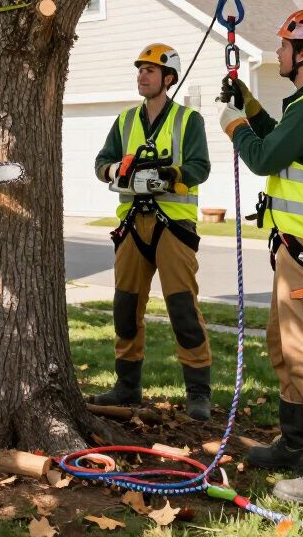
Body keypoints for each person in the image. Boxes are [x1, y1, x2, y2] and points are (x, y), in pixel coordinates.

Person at [218, 8, 303, 505]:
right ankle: (299, 445)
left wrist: (235, 125)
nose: (277, 52)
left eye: (283, 46)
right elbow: (281, 141)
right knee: (285, 346)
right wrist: (252, 109)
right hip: (300, 246)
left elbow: (262, 157)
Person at [92, 43, 213, 420]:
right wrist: (118, 172)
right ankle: (127, 386)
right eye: (140, 69)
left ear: (169, 78)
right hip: (132, 225)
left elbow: (200, 167)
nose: (142, 75)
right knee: (125, 306)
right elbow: (101, 163)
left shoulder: (187, 121)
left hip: (173, 226)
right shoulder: (126, 120)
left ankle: (198, 392)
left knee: (182, 307)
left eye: (150, 70)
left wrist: (168, 175)